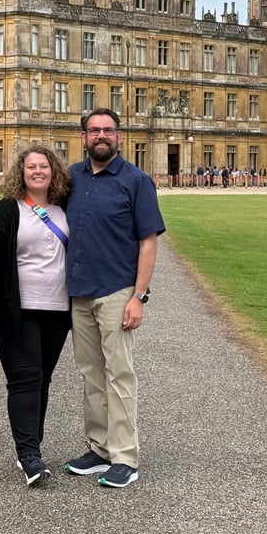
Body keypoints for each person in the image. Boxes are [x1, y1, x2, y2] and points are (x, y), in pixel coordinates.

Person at [63, 108, 165, 489]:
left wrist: (138, 296)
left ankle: (125, 457)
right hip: (79, 292)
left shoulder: (136, 181)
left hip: (117, 291)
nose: (100, 136)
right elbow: (38, 207)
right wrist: (5, 211)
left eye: (108, 130)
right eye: (94, 130)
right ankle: (99, 447)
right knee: (91, 374)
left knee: (119, 374)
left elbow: (148, 241)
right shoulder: (71, 177)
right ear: (84, 137)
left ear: (119, 137)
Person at [0, 144, 72, 487]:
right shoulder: (5, 210)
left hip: (59, 309)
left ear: (54, 172)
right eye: (31, 166)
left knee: (42, 378)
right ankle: (29, 454)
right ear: (21, 171)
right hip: (15, 309)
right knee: (25, 378)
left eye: (43, 166)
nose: (37, 172)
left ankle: (31, 447)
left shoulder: (65, 207)